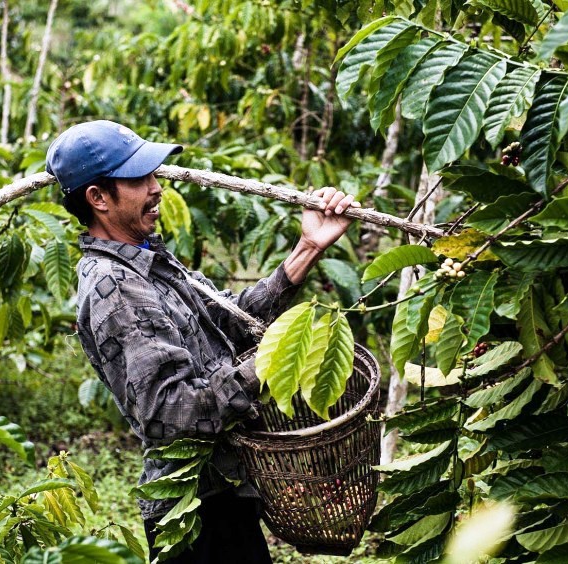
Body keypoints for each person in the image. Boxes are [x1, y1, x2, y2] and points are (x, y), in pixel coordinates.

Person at [46, 120, 359, 563]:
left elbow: (227, 319)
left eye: (153, 175)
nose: (157, 188)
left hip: (223, 491)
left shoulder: (147, 257)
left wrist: (307, 248)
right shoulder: (115, 286)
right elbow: (173, 412)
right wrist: (274, 358)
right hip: (194, 513)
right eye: (138, 179)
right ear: (98, 198)